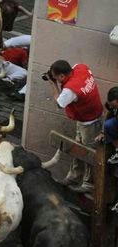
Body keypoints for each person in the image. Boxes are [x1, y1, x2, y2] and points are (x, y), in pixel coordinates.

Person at [48, 59, 103, 193]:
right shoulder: (81, 67)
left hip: (89, 122)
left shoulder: (70, 90)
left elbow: (59, 103)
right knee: (78, 147)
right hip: (91, 114)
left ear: (61, 76)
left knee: (89, 153)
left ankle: (89, 183)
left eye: (57, 77)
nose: (56, 79)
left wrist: (52, 84)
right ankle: (74, 176)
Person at [95, 87, 118, 164]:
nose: (111, 107)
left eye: (113, 106)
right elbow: (107, 112)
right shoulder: (111, 105)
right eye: (110, 105)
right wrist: (102, 132)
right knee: (108, 125)